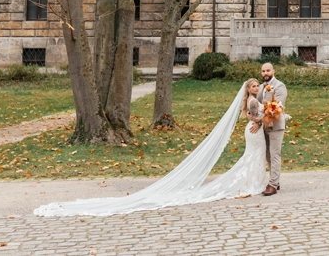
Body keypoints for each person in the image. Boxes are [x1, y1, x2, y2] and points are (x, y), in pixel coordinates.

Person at [34, 78, 268, 217]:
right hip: (254, 131)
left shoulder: (254, 99)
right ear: (248, 89)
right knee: (253, 157)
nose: (256, 87)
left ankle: (253, 182)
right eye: (254, 85)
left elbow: (251, 115)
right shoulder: (252, 100)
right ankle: (252, 183)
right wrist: (267, 116)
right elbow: (252, 116)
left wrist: (266, 113)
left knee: (253, 157)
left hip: (253, 131)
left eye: (257, 85)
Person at [257, 62, 288, 196]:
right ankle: (275, 180)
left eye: (268, 70)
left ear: (273, 71)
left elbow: (278, 105)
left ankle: (273, 185)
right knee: (268, 154)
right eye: (263, 71)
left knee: (275, 153)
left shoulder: (280, 86)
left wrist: (269, 117)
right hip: (264, 124)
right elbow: (258, 104)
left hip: (276, 125)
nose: (265, 73)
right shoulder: (260, 87)